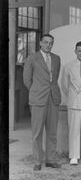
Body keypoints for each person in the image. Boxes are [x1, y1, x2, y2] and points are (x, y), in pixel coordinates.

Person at [23, 34, 61, 171]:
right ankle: (37, 161)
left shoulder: (57, 59)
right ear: (40, 43)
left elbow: (54, 79)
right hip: (38, 99)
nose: (48, 45)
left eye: (51, 43)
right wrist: (36, 91)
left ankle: (50, 159)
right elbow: (27, 80)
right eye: (46, 42)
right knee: (37, 132)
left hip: (53, 98)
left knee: (52, 131)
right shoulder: (32, 58)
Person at [61, 41, 81, 165]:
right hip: (74, 101)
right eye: (79, 50)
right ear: (75, 51)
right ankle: (74, 156)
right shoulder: (68, 66)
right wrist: (72, 96)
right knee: (74, 129)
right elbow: (64, 85)